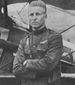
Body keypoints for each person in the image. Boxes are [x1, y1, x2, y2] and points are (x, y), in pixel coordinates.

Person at [13, 0, 63, 85]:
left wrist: (27, 63)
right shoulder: (24, 41)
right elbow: (16, 69)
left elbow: (48, 64)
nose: (34, 17)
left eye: (38, 14)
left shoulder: (55, 38)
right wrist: (38, 74)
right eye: (31, 15)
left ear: (45, 16)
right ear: (28, 17)